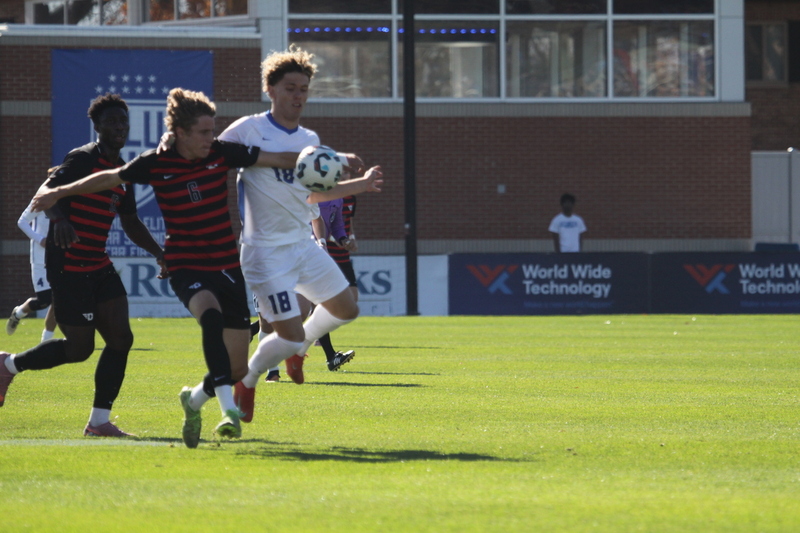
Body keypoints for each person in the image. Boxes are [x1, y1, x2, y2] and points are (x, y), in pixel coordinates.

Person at [218, 45, 383, 423]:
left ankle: (300, 349)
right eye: (290, 87)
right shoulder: (249, 128)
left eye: (304, 89)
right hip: (264, 252)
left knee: (347, 309)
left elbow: (311, 193)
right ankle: (250, 380)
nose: (298, 95)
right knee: (284, 332)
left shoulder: (309, 136)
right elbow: (214, 153)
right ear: (270, 90)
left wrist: (360, 184)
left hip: (302, 244)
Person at [0, 94, 165, 438]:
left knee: (121, 338)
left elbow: (131, 222)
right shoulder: (82, 158)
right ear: (98, 126)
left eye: (123, 121)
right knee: (80, 349)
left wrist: (160, 253)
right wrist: (59, 218)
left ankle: (99, 422)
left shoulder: (123, 171)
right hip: (68, 263)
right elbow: (46, 193)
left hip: (99, 263)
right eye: (112, 122)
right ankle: (8, 365)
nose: (119, 127)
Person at [312, 197, 358, 371]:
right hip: (301, 253)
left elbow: (337, 224)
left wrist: (344, 239)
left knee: (317, 305)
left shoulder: (338, 198)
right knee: (310, 306)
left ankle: (330, 356)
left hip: (318, 256)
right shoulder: (309, 192)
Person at [6, 197, 57, 342]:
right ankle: (19, 313)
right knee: (44, 300)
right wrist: (40, 239)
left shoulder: (66, 198)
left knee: (58, 299)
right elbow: (22, 221)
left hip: (58, 258)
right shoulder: (42, 199)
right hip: (40, 259)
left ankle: (45, 343)